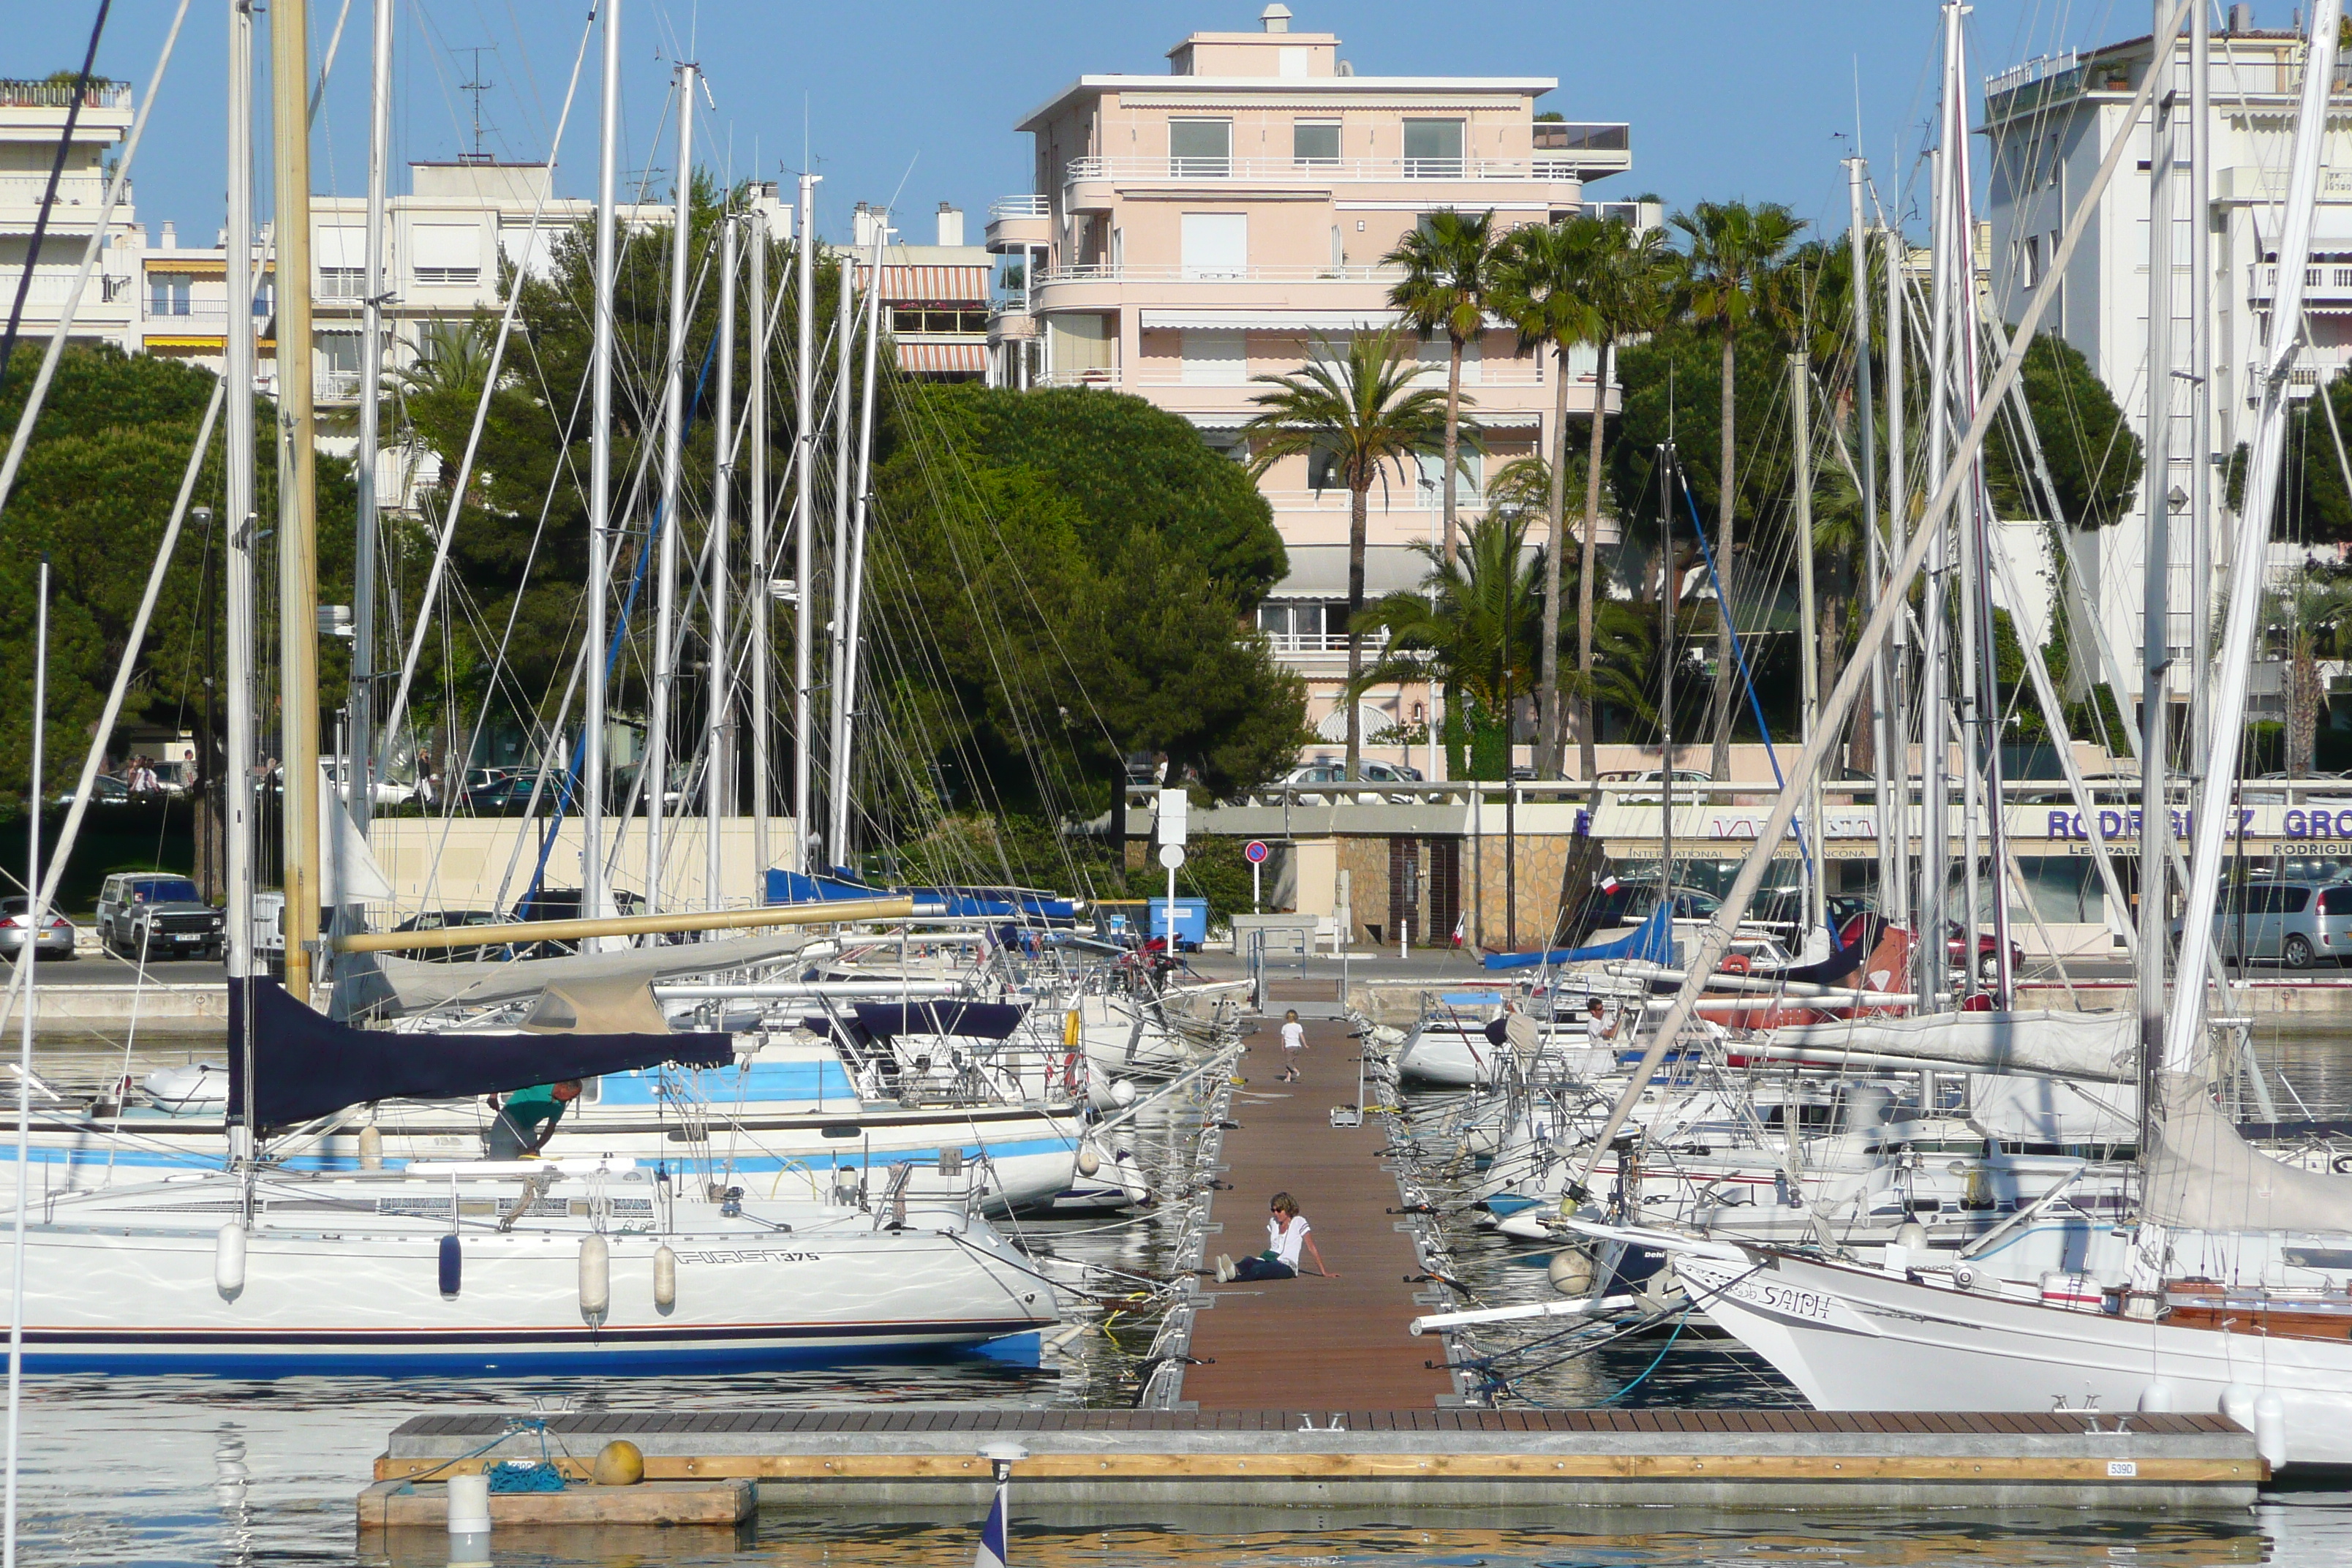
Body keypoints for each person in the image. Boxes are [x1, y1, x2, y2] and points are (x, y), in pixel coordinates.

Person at [1215, 1193, 1331, 1282]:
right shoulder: (1273, 1222)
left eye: (1279, 1210)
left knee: (1258, 1270)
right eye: (1273, 1210)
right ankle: (1231, 1269)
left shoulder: (1299, 1222)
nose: (1276, 1213)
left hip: (1286, 1266)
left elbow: (1312, 1248)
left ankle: (1229, 1278)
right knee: (1249, 1260)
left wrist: (1324, 1272)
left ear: (1288, 1209)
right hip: (1270, 1258)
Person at [486, 1079, 584, 1158]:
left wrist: (536, 1147)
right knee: (502, 1160)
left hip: (528, 1129)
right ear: (563, 1087)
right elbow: (509, 1076)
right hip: (507, 1122)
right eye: (571, 1097)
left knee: (531, 1159)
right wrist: (493, 1096)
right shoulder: (541, 1082)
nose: (570, 1100)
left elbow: (550, 1128)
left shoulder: (560, 1105)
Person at [1278, 1009, 1306, 1082]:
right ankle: (1288, 1078)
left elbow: (1283, 1038)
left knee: (1288, 1062)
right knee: (1291, 1062)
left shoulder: (1285, 1027)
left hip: (1289, 1046)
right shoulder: (1298, 1026)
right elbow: (1301, 1036)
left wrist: (1282, 1046)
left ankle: (1296, 1071)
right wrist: (1305, 1044)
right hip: (1297, 1046)